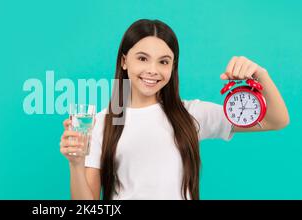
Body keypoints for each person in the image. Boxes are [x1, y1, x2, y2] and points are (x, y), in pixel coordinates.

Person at [59, 19, 289, 200]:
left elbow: (276, 120)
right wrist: (76, 164)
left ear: (173, 67)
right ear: (124, 61)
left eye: (164, 61)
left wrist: (261, 75)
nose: (153, 70)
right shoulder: (102, 122)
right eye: (142, 58)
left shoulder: (191, 115)